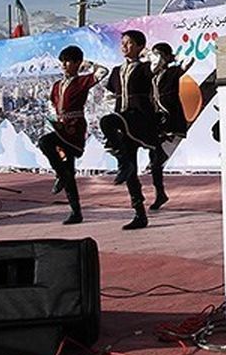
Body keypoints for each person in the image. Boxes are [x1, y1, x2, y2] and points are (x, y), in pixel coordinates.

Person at [36, 46, 106, 225]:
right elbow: (54, 104)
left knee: (45, 142)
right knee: (67, 169)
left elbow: (103, 71)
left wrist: (88, 64)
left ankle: (61, 176)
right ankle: (75, 210)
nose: (64, 65)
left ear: (77, 63)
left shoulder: (82, 81)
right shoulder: (57, 85)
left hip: (74, 129)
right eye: (63, 61)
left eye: (68, 61)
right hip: (61, 128)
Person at [99, 30, 155, 230]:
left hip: (138, 118)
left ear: (140, 46)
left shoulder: (145, 68)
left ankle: (123, 162)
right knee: (131, 168)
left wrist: (151, 58)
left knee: (107, 122)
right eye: (123, 42)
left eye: (130, 43)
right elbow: (111, 91)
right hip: (123, 120)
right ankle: (139, 213)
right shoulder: (116, 71)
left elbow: (157, 71)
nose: (124, 46)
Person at [146, 42, 193, 211]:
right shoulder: (151, 77)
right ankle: (160, 194)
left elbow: (189, 60)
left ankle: (160, 194)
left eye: (158, 55)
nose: (155, 59)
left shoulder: (173, 72)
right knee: (154, 161)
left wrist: (171, 58)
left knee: (157, 160)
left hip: (173, 123)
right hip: (158, 124)